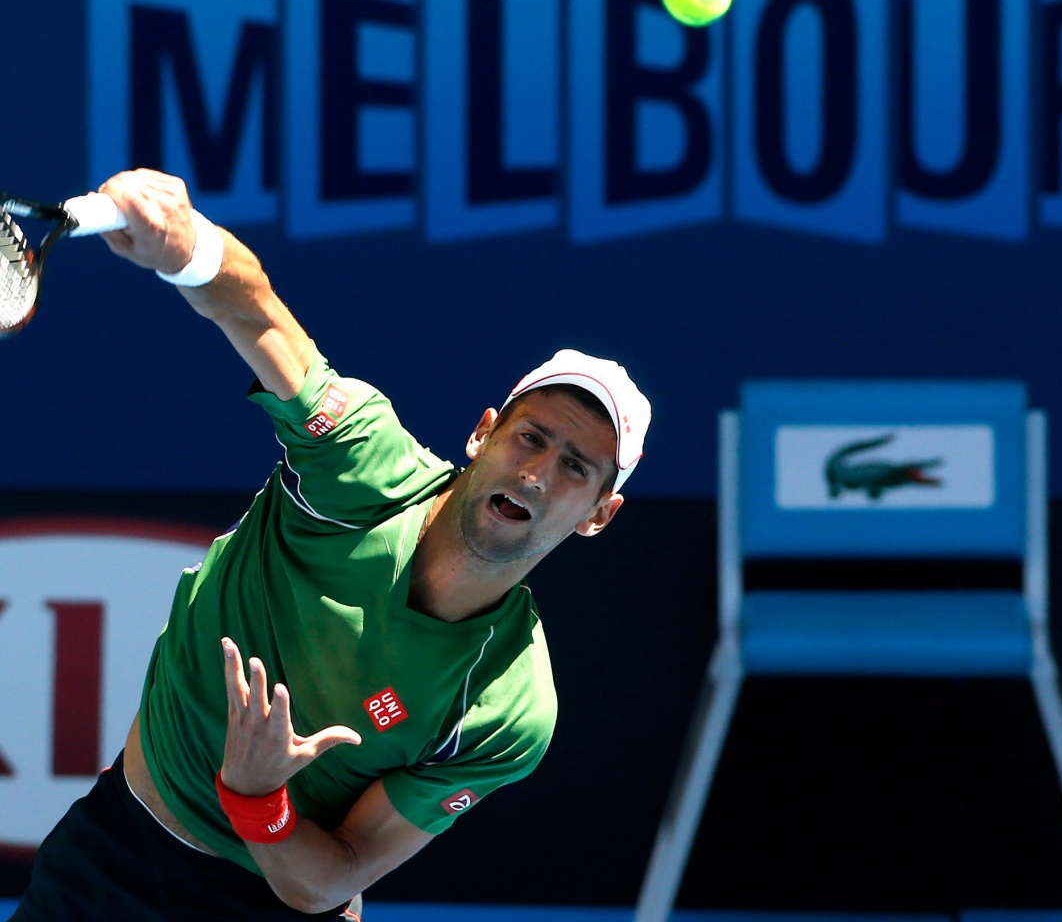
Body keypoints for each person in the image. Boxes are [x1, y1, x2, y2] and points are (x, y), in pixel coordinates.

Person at [9, 168, 651, 921]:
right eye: (530, 439)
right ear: (483, 434)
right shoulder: (359, 464)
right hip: (118, 855)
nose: (539, 474)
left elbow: (328, 876)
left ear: (598, 514)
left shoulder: (508, 704)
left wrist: (257, 796)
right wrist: (189, 247)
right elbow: (259, 316)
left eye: (575, 467)